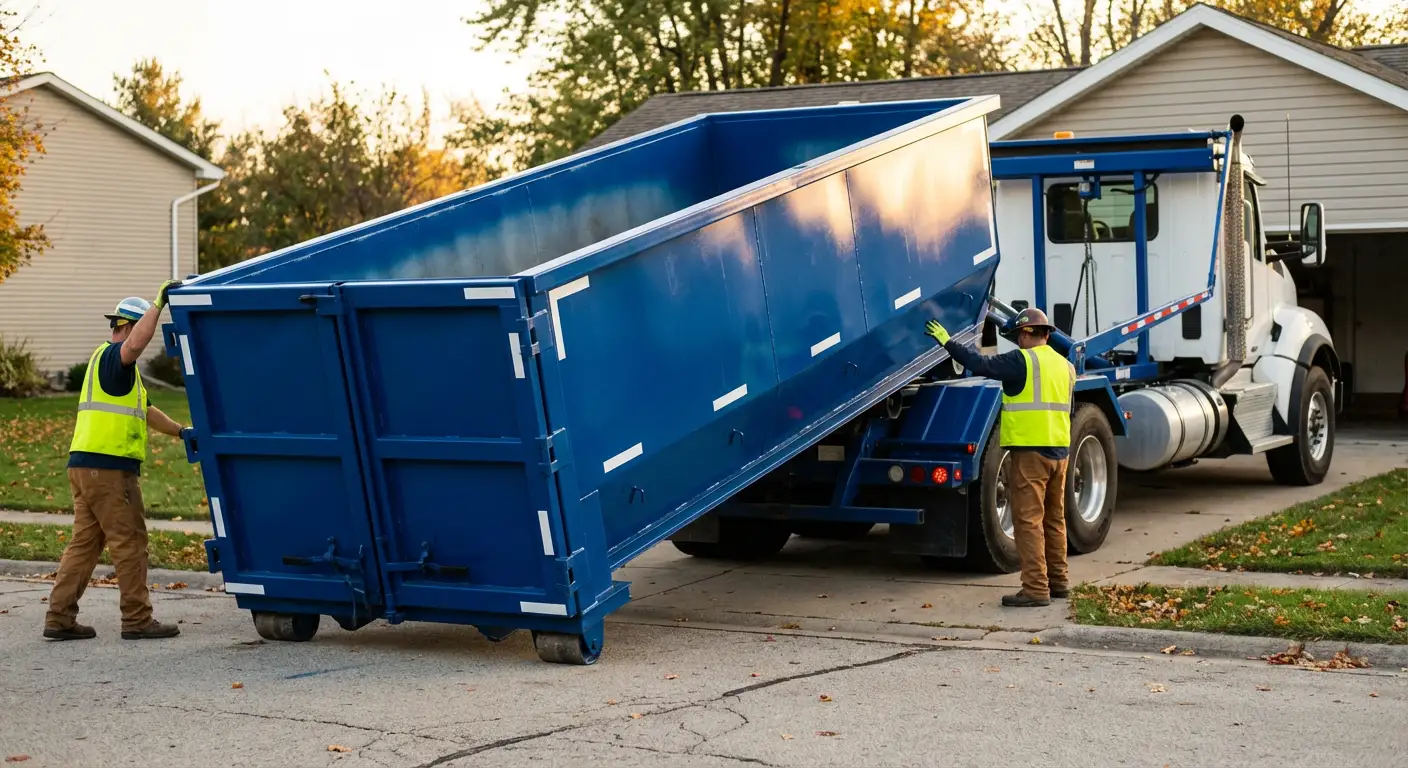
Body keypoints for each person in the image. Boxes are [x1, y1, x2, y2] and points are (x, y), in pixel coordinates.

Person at [44, 281, 194, 641]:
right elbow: (136, 343)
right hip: (109, 471)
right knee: (130, 542)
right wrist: (160, 305)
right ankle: (137, 619)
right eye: (138, 327)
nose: (141, 340)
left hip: (84, 467)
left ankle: (59, 618)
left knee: (84, 545)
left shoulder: (109, 366)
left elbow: (146, 410)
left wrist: (181, 432)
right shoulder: (115, 359)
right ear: (125, 326)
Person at [924, 308, 1075, 608]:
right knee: (1054, 519)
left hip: (1031, 452)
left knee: (1028, 521)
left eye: (1020, 335)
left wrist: (947, 342)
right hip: (1060, 452)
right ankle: (1059, 583)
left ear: (1029, 333)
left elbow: (978, 363)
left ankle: (1035, 589)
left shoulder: (1022, 361)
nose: (1018, 340)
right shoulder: (1065, 365)